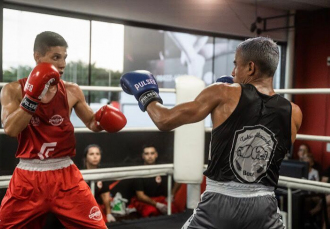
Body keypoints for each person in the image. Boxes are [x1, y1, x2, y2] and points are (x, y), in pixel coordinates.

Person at [120, 37, 303, 228]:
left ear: (250, 68)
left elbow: (164, 120)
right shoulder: (294, 113)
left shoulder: (223, 93)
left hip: (220, 202)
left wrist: (146, 94)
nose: (233, 73)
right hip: (264, 207)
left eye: (236, 66)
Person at [0, 31, 127, 229]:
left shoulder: (72, 90)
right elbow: (11, 129)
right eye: (56, 57)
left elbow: (92, 122)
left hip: (65, 174)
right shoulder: (13, 90)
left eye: (64, 57)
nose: (63, 64)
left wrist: (103, 121)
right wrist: (32, 97)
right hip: (28, 176)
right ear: (37, 57)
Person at [130, 144, 181, 217]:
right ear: (143, 156)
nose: (150, 156)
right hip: (146, 201)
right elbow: (140, 196)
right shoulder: (139, 171)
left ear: (156, 155)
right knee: (151, 211)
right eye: (147, 154)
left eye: (152, 153)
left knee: (173, 210)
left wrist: (171, 196)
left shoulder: (163, 167)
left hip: (162, 199)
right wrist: (157, 205)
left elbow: (179, 178)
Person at [83, 144, 116, 223]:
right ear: (86, 157)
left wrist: (108, 214)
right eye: (91, 154)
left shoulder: (102, 174)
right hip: (82, 207)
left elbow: (105, 195)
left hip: (96, 209)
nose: (95, 157)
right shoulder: (79, 174)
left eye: (97, 154)